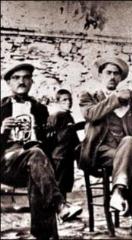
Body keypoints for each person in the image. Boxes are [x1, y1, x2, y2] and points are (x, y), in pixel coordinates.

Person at [79, 57, 132, 238]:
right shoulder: (89, 96)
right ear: (100, 75)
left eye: (116, 74)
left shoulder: (129, 103)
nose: (112, 77)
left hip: (124, 153)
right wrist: (116, 98)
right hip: (99, 153)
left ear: (121, 78)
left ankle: (118, 191)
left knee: (131, 142)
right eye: (108, 73)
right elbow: (91, 115)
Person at [1, 63, 80, 239]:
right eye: (16, 78)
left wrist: (53, 128)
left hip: (34, 163)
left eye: (26, 77)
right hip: (6, 164)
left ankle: (44, 236)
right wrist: (1, 130)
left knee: (38, 164)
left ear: (31, 81)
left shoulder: (40, 109)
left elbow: (49, 144)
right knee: (37, 159)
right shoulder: (1, 107)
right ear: (8, 82)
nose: (21, 81)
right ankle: (60, 205)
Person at [46, 89, 83, 204]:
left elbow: (72, 136)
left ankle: (64, 205)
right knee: (59, 183)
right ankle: (57, 209)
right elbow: (50, 136)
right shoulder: (55, 116)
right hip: (59, 155)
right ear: (57, 102)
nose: (68, 102)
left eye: (70, 100)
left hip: (68, 155)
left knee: (66, 182)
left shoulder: (68, 116)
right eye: (64, 100)